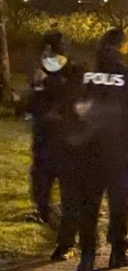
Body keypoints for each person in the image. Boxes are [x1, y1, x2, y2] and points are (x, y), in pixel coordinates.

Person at [68, 28, 128, 271]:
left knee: (88, 205)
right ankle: (118, 252)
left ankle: (87, 257)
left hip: (85, 153)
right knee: (118, 205)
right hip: (118, 154)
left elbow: (68, 109)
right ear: (123, 48)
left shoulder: (83, 76)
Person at [25, 32, 72, 227]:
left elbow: (34, 103)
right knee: (59, 180)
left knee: (43, 179)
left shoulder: (45, 73)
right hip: (62, 137)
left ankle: (48, 214)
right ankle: (58, 216)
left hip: (49, 136)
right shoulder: (71, 69)